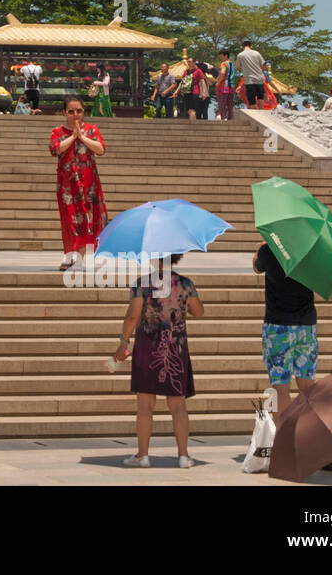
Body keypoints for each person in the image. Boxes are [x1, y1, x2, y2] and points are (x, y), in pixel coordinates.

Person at [114, 254, 204, 468]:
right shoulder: (185, 284)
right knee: (178, 405)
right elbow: (199, 311)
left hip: (148, 348)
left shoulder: (142, 284)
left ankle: (143, 455)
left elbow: (132, 316)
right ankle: (183, 456)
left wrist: (122, 343)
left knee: (145, 405)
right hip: (176, 349)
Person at [253, 242, 317, 425]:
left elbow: (257, 267)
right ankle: (309, 436)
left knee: (281, 387)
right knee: (307, 384)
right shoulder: (310, 251)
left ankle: (282, 440)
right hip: (306, 325)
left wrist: (260, 248)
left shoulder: (269, 249)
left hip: (278, 325)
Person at [49, 94, 108, 271]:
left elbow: (100, 149)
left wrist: (82, 137)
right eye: (71, 111)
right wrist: (74, 136)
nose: (75, 115)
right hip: (68, 183)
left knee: (89, 217)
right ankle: (69, 255)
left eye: (79, 111)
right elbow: (56, 149)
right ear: (64, 112)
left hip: (89, 180)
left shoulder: (91, 129)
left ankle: (83, 257)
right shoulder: (58, 132)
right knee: (70, 218)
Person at [235, 40, 266, 109]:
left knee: (251, 99)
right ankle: (262, 112)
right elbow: (263, 64)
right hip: (259, 78)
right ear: (251, 46)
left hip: (249, 80)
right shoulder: (257, 53)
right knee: (260, 97)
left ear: (242, 47)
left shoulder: (240, 55)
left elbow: (236, 67)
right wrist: (262, 72)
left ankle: (254, 116)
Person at [214, 49, 235, 120]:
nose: (221, 58)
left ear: (225, 55)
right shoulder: (232, 64)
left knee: (222, 103)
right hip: (231, 86)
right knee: (230, 104)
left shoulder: (224, 64)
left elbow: (222, 73)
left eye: (221, 56)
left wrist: (218, 82)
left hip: (223, 86)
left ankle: (223, 118)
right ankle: (230, 118)